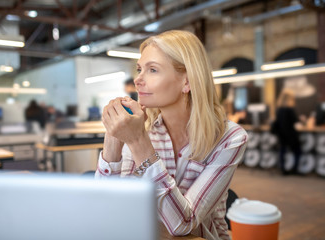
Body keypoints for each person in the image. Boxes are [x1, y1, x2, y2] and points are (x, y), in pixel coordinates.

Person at [95, 30, 248, 240]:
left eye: (153, 70)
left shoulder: (230, 138)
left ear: (187, 82)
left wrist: (138, 141)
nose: (138, 79)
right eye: (140, 69)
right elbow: (106, 209)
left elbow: (182, 225)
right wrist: (112, 140)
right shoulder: (142, 126)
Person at [273, 89, 301, 175]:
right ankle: (295, 169)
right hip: (291, 135)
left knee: (282, 152)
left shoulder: (279, 110)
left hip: (282, 135)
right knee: (297, 151)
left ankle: (283, 169)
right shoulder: (290, 110)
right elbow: (296, 123)